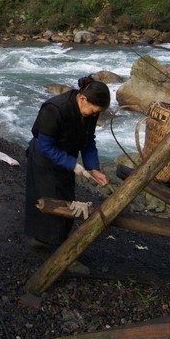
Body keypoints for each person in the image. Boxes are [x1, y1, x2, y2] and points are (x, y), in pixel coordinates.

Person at [24, 75, 110, 275]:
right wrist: (73, 165)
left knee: (64, 196)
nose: (93, 115)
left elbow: (89, 140)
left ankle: (42, 239)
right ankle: (59, 254)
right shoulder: (55, 109)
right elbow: (45, 145)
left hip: (65, 157)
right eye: (93, 111)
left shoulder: (90, 112)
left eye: (97, 113)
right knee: (56, 203)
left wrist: (93, 168)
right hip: (44, 158)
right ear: (82, 99)